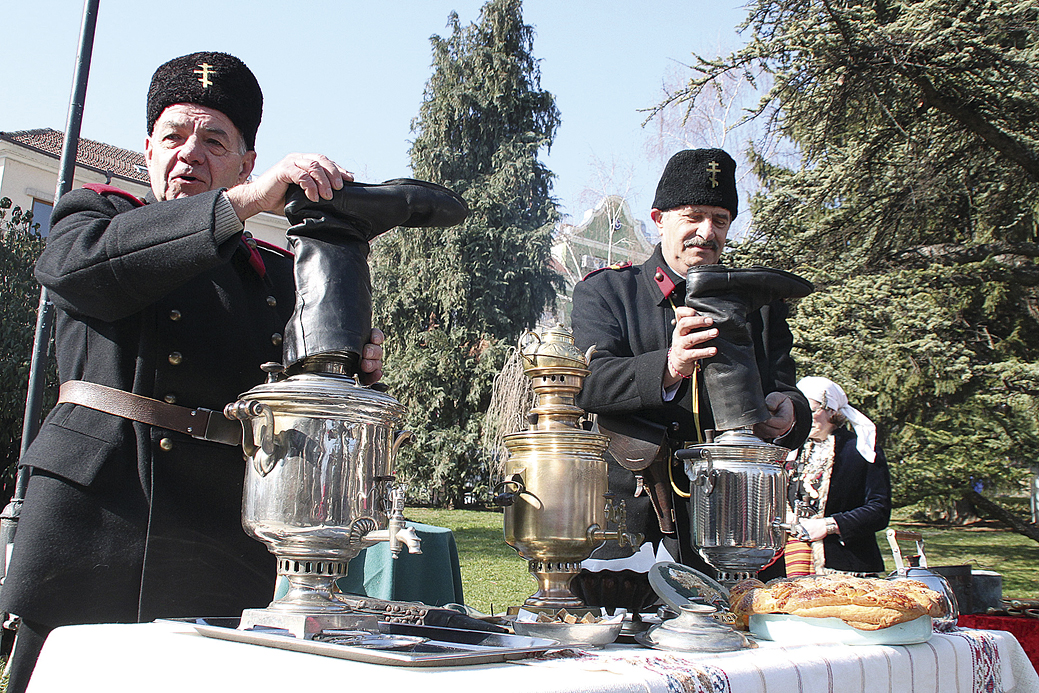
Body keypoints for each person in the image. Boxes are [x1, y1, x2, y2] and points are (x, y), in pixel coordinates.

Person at [0, 52, 385, 691]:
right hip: (95, 519)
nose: (189, 153)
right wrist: (240, 206)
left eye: (214, 140)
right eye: (174, 135)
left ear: (245, 163)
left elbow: (307, 398)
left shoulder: (275, 275)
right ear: (147, 147)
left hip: (215, 533)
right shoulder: (91, 217)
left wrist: (351, 366)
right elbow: (81, 275)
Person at [570, 148, 810, 592]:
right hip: (635, 529)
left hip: (741, 522)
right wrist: (668, 365)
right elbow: (589, 385)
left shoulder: (759, 306)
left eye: (720, 219)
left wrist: (789, 412)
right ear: (659, 218)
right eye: (694, 216)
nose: (707, 231)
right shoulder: (608, 293)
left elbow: (785, 388)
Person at [787, 376, 891, 577]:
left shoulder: (861, 451)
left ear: (832, 411)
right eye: (797, 412)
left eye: (810, 411)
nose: (803, 419)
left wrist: (830, 525)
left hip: (845, 565)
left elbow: (879, 509)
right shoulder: (789, 450)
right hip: (790, 559)